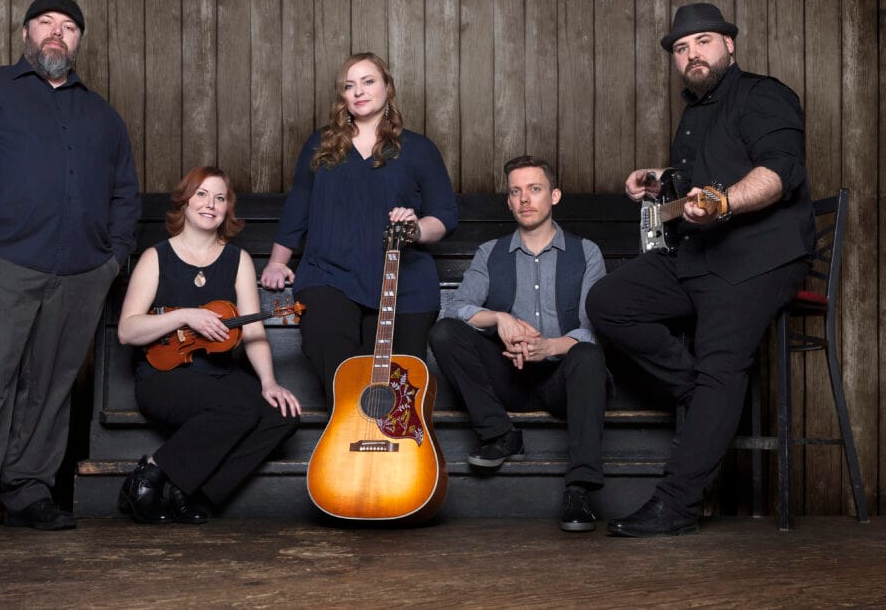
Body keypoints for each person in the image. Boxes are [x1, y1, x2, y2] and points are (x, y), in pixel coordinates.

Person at [586, 3, 814, 537]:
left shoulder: (763, 95)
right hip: (699, 258)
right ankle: (697, 387)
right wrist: (659, 179)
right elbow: (700, 176)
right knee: (608, 302)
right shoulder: (695, 114)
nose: (692, 54)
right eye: (681, 48)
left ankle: (676, 505)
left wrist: (723, 203)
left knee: (722, 366)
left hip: (759, 257)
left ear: (729, 46)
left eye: (704, 41)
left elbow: (780, 170)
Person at [0, 0, 140, 542]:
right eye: (47, 22)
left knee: (51, 385)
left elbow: (125, 193)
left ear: (78, 40)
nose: (57, 33)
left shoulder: (103, 115)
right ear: (25, 32)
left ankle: (27, 489)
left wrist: (112, 258)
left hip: (83, 272)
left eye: (68, 27)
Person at [260, 52, 458, 405]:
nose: (359, 92)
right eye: (349, 86)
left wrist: (416, 228)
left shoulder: (419, 149)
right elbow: (297, 207)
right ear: (342, 97)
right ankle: (347, 446)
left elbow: (444, 215)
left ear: (387, 88)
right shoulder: (320, 144)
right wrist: (277, 261)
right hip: (330, 275)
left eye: (368, 82)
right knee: (344, 380)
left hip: (403, 283)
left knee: (394, 399)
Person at [428, 156, 608, 532]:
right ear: (509, 202)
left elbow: (596, 326)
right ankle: (500, 434)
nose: (525, 199)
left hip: (564, 378)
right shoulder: (490, 252)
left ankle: (580, 490)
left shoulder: (586, 252)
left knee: (589, 355)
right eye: (516, 192)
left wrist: (552, 347)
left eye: (535, 189)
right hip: (508, 375)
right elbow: (457, 309)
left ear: (554, 196)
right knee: (444, 333)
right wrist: (498, 319)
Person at [116, 166, 301, 524]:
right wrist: (185, 315)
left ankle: (187, 490)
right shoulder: (156, 258)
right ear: (184, 202)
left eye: (219, 198)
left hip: (218, 374)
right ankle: (149, 473)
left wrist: (268, 382)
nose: (210, 204)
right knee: (237, 411)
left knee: (282, 415)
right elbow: (127, 331)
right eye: (201, 194)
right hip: (164, 376)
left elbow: (253, 331)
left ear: (226, 209)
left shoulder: (238, 260)